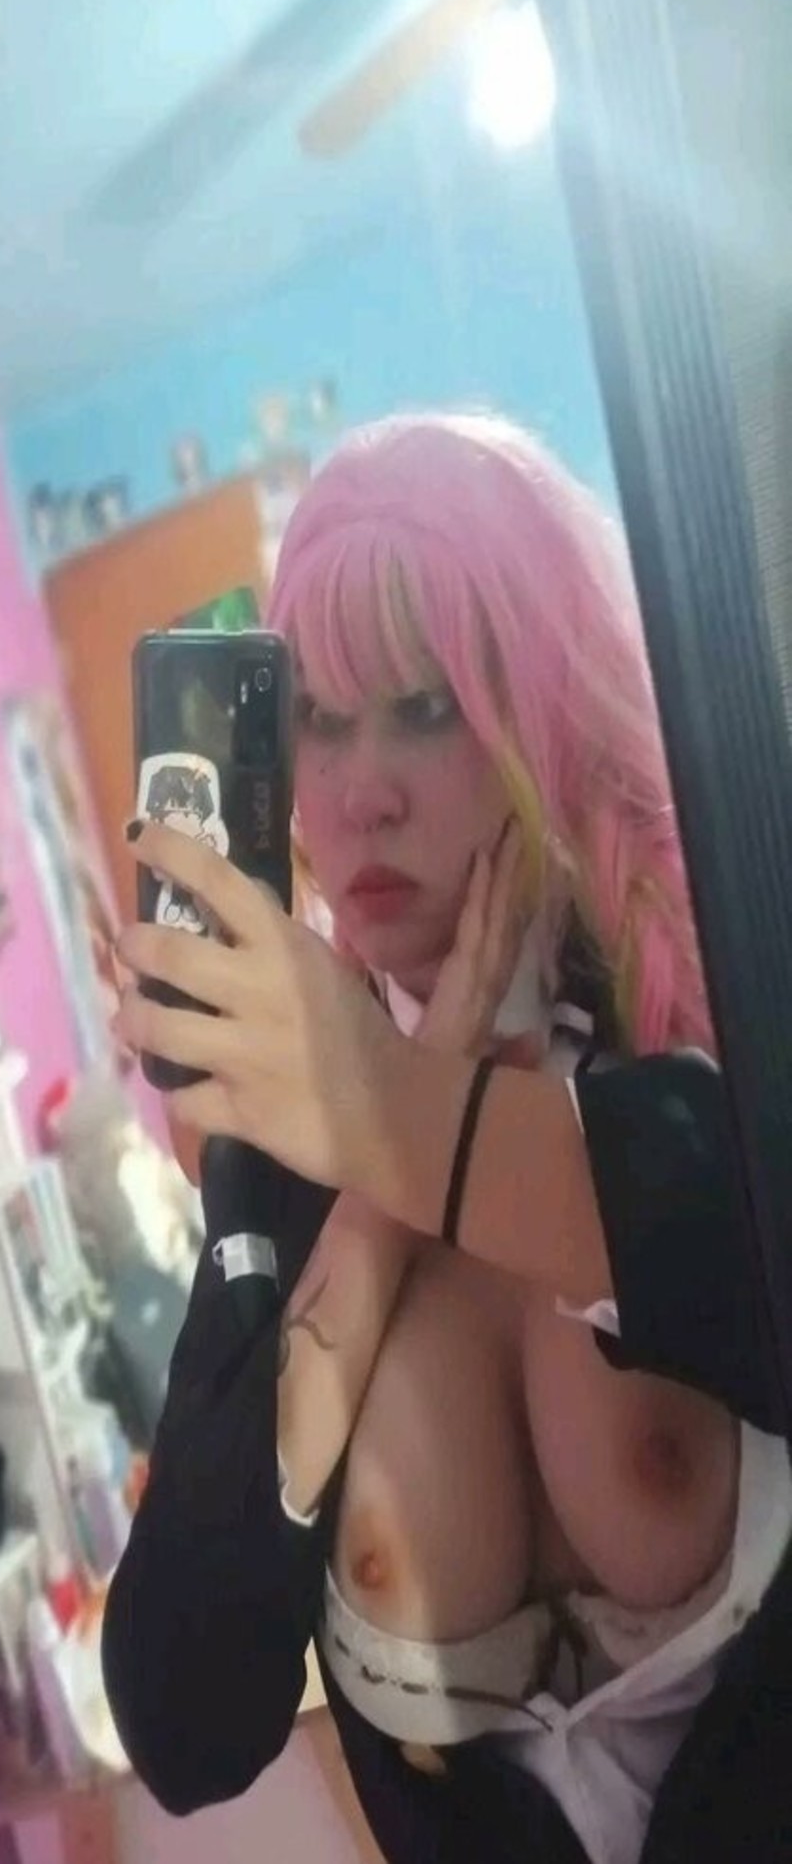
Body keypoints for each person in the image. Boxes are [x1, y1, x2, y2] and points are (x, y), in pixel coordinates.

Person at [101, 413, 792, 1864]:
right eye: (318, 720)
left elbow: (730, 1246)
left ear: (540, 702)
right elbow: (183, 1718)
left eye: (425, 706)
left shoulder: (710, 1013)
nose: (362, 792)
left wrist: (405, 1109)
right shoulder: (278, 1173)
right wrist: (375, 1186)